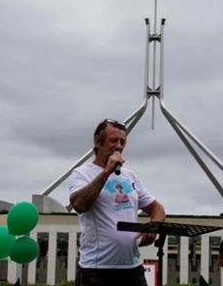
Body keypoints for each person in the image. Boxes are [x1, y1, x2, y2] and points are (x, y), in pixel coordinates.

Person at [70, 118, 166, 286]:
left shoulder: (129, 176)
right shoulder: (82, 173)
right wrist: (107, 171)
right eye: (113, 140)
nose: (119, 146)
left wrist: (154, 226)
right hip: (97, 270)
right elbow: (79, 204)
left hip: (133, 268)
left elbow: (156, 207)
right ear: (98, 142)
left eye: (123, 142)